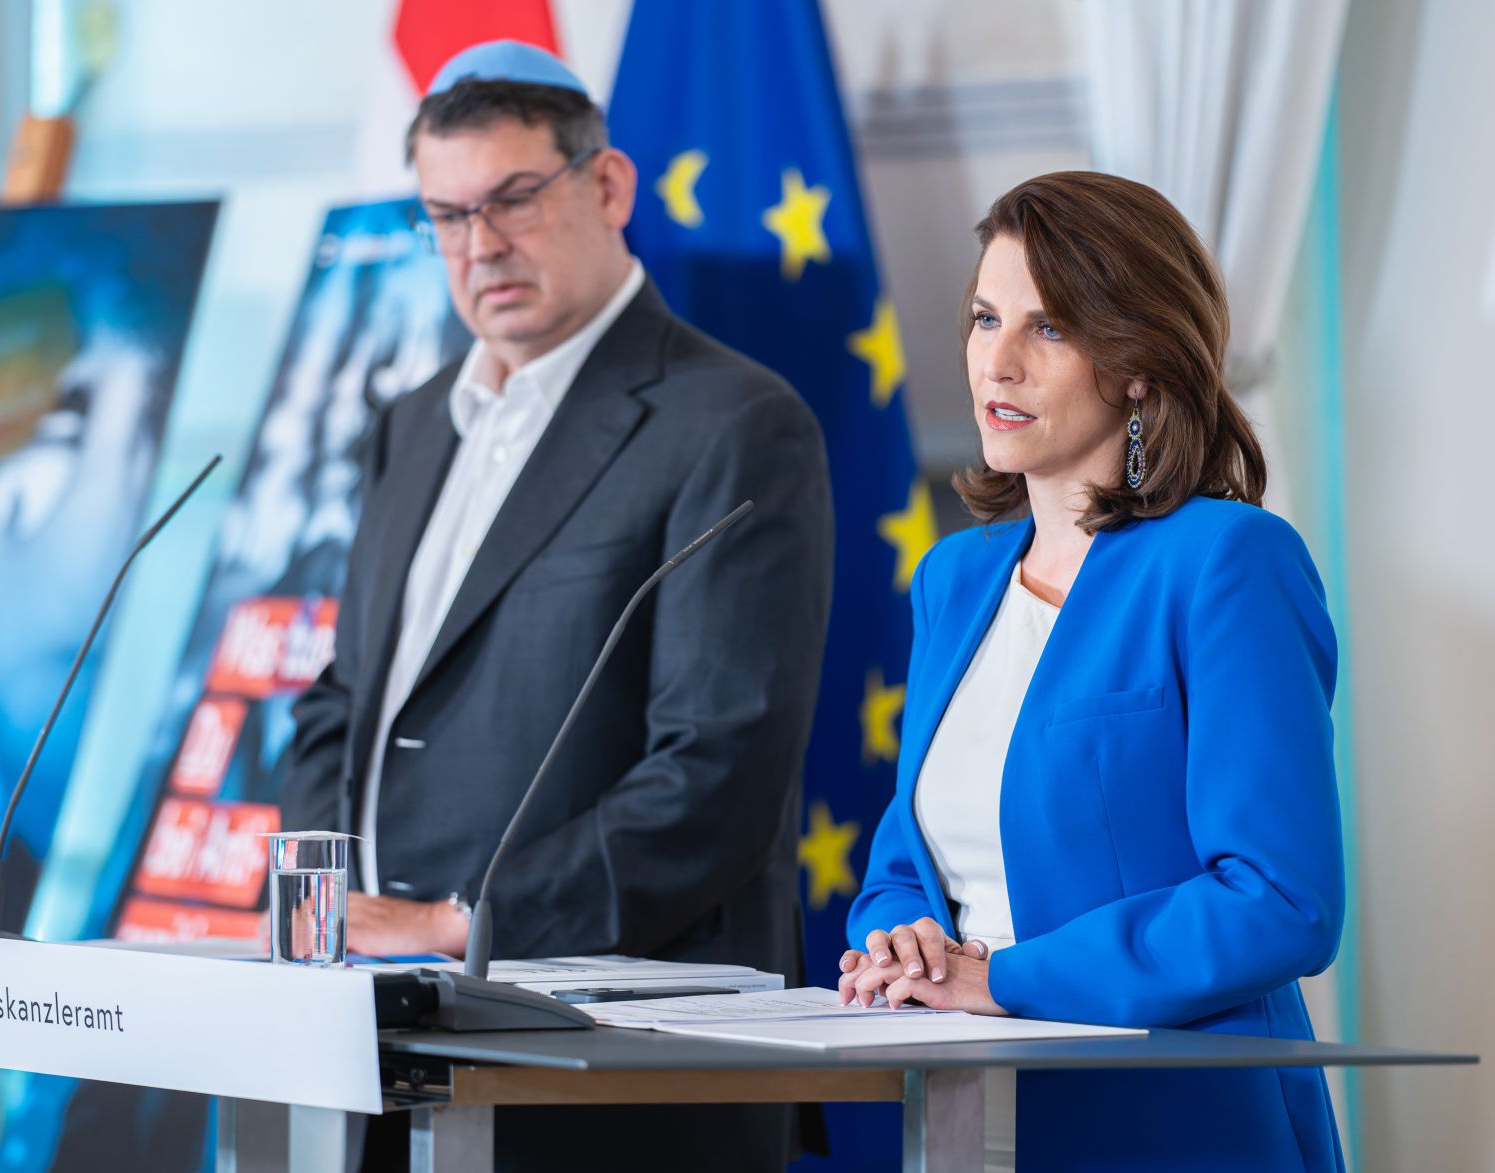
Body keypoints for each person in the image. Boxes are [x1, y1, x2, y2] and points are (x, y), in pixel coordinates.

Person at [281, 41, 834, 1171]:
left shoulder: (730, 424)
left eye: (512, 199)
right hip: (373, 1052)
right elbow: (345, 702)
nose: (479, 246)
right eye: (445, 215)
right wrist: (317, 899)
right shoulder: (409, 419)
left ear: (607, 187)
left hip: (610, 1066)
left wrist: (459, 924)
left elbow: (715, 770)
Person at [839, 171, 1345, 1171]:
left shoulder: (1223, 559)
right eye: (986, 318)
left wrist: (1008, 978)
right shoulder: (955, 576)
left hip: (1170, 1123)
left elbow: (1279, 899)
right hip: (962, 1111)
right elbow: (906, 862)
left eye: (1052, 329)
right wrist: (901, 937)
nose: (1000, 361)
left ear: (1138, 368)